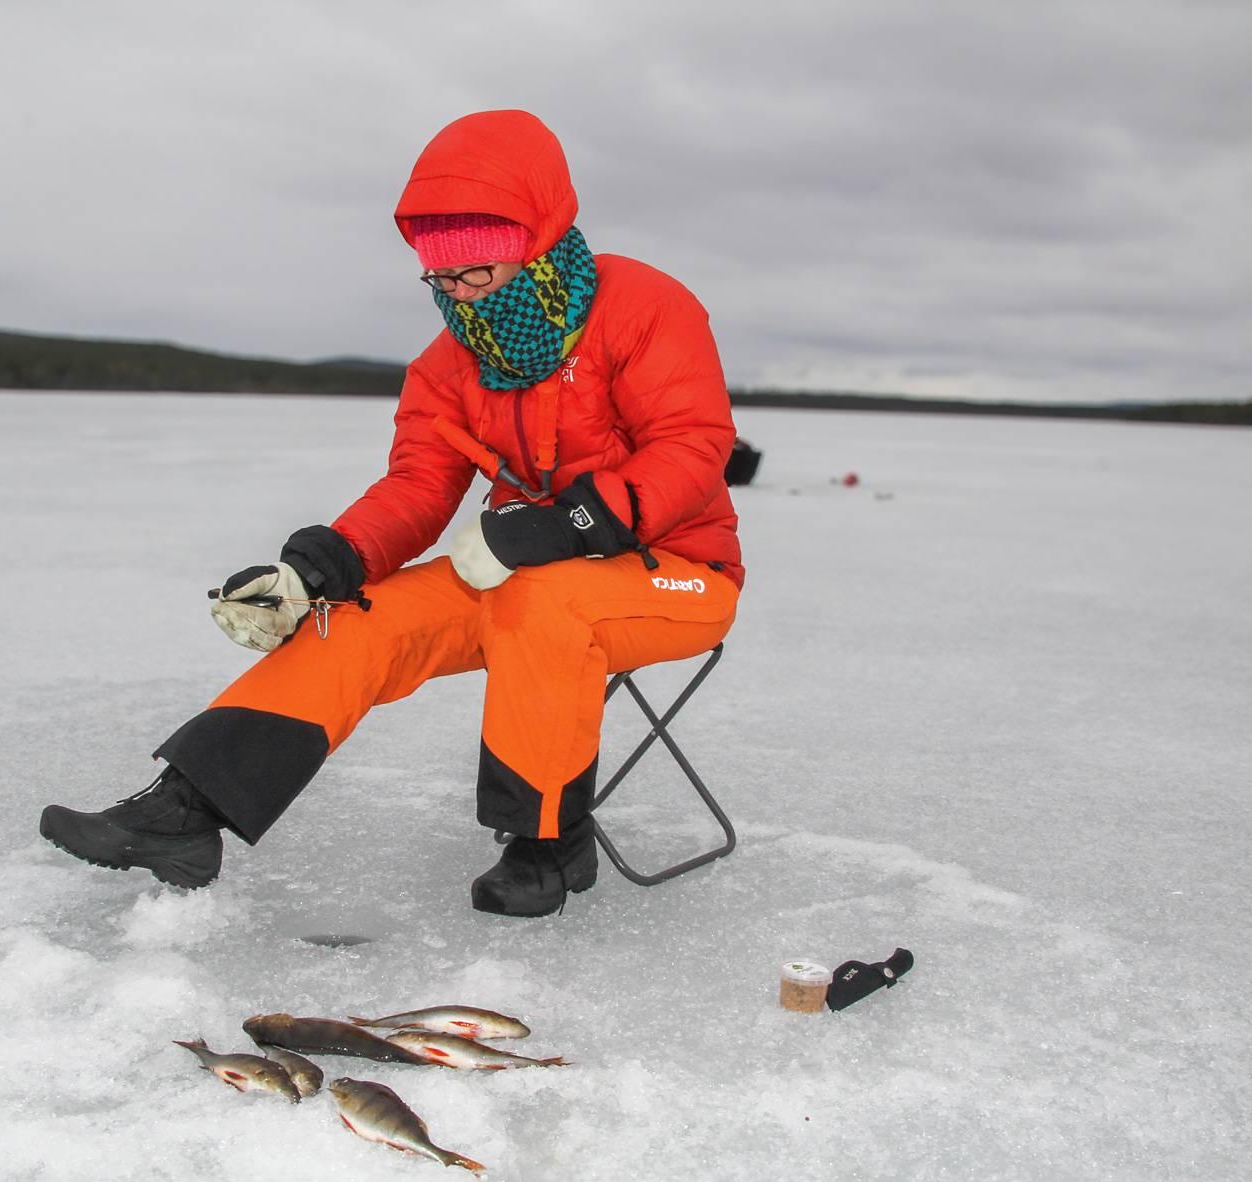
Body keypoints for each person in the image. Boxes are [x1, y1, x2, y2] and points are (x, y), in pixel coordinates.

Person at [39, 109, 744, 918]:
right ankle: (183, 812)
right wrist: (317, 567)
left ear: (533, 244)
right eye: (439, 278)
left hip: (679, 573)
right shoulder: (449, 367)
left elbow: (692, 449)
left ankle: (551, 844)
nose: (457, 295)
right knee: (361, 617)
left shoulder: (646, 307)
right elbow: (416, 487)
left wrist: (559, 529)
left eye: (474, 272)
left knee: (544, 597)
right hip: (518, 572)